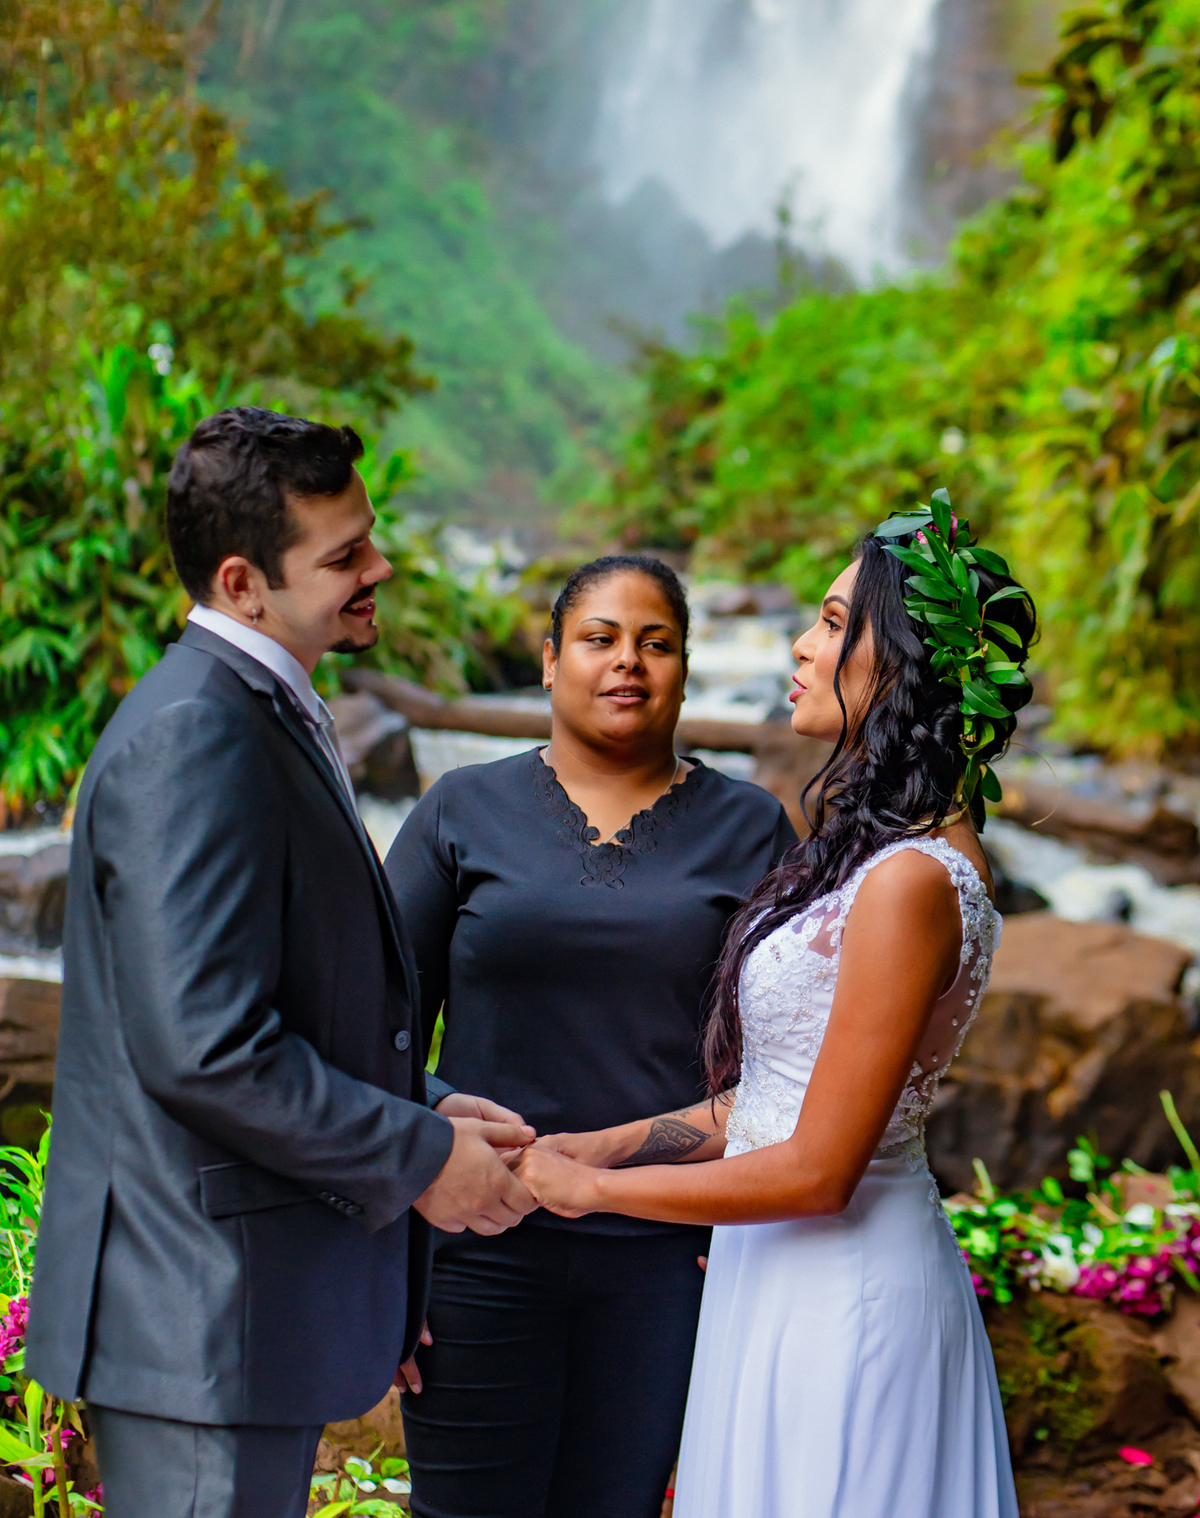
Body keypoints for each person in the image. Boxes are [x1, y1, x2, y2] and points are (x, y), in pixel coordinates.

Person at [25, 407, 537, 1518]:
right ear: (243, 581)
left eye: (370, 536)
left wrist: (433, 1105)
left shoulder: (260, 706)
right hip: (200, 1312)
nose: (381, 566)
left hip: (234, 1310)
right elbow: (207, 1050)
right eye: (344, 554)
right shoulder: (194, 733)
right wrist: (419, 1156)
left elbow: (281, 1000)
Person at [516, 497, 1034, 1518]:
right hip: (780, 1281)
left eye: (837, 622)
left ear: (907, 662)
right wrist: (595, 1145)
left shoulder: (909, 884)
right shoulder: (879, 856)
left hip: (841, 1300)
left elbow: (816, 1168)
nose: (802, 644)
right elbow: (775, 1102)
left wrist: (587, 1195)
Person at [384, 553, 797, 1518]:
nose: (628, 664)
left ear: (686, 668)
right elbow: (376, 1026)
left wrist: (743, 1228)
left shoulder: (752, 828)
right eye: (600, 640)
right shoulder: (459, 809)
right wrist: (398, 1227)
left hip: (665, 1260)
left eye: (656, 644)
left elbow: (783, 1067)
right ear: (549, 660)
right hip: (476, 1238)